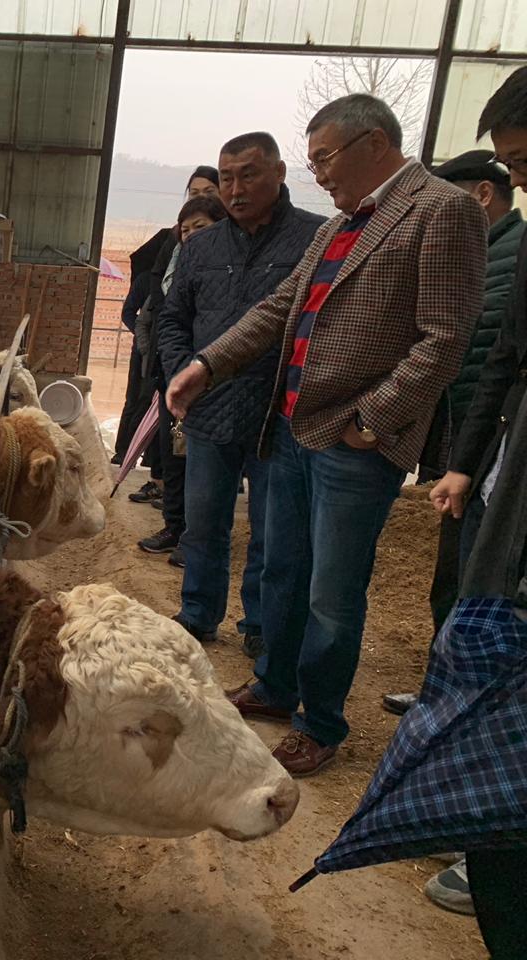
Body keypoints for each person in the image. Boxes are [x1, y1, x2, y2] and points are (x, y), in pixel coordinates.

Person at [167, 93, 486, 777]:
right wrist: (207, 363)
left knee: (331, 592)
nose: (318, 174)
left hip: (351, 443)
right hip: (293, 427)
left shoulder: (440, 210)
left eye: (324, 159)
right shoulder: (342, 224)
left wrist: (374, 420)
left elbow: (444, 337)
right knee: (282, 568)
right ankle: (275, 684)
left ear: (373, 144)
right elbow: (280, 306)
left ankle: (320, 721)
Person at [415, 69, 527, 931]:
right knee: (482, 620)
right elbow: (501, 359)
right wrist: (465, 461)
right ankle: (482, 820)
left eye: (524, 164)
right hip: (508, 476)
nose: (520, 180)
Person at [157, 132, 324, 650]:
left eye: (248, 175)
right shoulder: (201, 247)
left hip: (278, 414)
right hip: (209, 411)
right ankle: (198, 612)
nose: (235, 189)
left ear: (279, 173)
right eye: (226, 177)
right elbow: (172, 319)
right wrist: (184, 370)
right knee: (204, 524)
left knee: (273, 535)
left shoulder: (314, 240)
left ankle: (260, 625)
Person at [383, 150, 524, 718]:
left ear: (481, 195)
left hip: (492, 443)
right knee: (455, 574)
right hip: (472, 443)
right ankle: (444, 691)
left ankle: (459, 702)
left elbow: (492, 362)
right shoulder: (484, 254)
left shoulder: (506, 257)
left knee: (476, 580)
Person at [120, 166, 219, 504]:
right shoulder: (173, 254)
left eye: (208, 192)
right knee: (168, 437)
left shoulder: (226, 260)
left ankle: (188, 516)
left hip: (206, 368)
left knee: (196, 449)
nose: (191, 234)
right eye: (194, 193)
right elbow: (151, 310)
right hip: (166, 361)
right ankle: (170, 508)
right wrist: (153, 349)